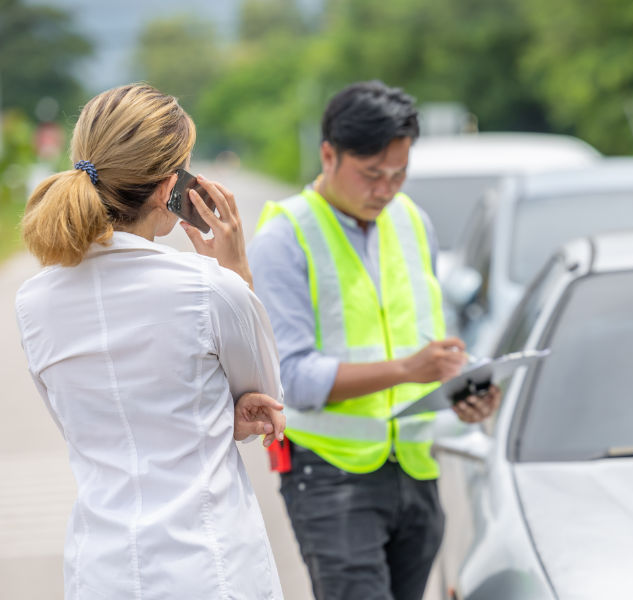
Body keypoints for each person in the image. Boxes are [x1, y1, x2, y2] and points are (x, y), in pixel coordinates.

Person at [15, 83, 286, 599]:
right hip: (210, 569)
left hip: (100, 572)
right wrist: (236, 270)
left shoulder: (33, 303)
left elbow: (87, 421)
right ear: (169, 188)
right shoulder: (210, 288)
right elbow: (267, 400)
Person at [247, 80, 501, 600]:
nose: (386, 189)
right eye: (371, 175)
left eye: (399, 174)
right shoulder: (284, 236)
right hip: (330, 478)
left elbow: (429, 340)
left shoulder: (412, 222)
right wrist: (409, 370)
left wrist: (464, 389)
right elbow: (292, 378)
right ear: (328, 154)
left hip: (414, 467)